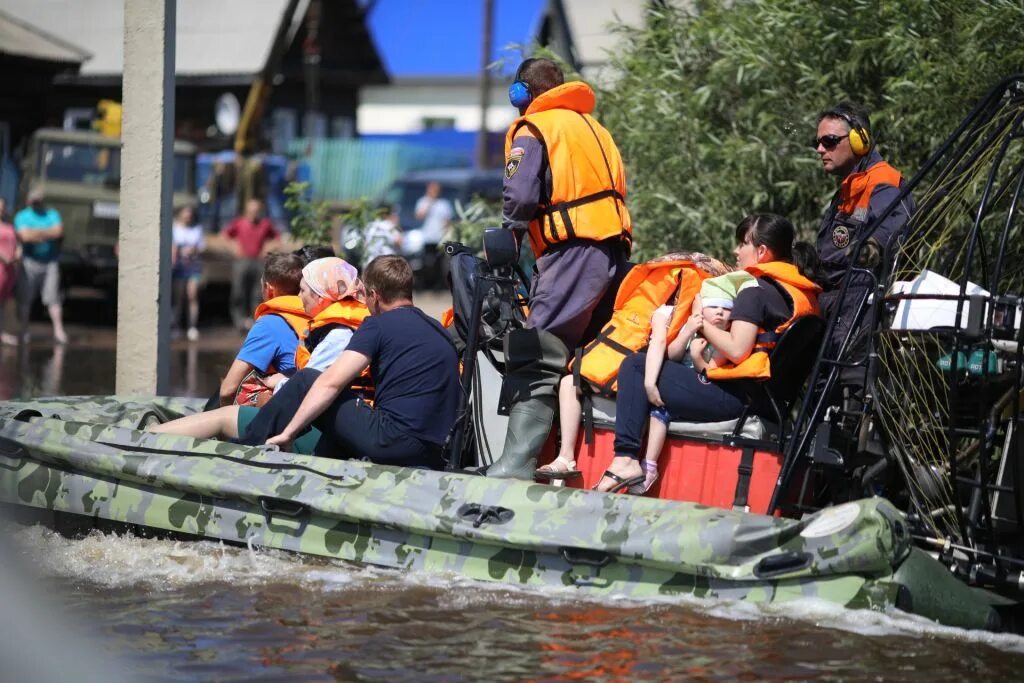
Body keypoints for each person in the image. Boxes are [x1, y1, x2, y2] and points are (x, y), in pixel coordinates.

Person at [595, 214, 821, 493]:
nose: (736, 252)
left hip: (736, 399)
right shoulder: (801, 295)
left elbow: (737, 350)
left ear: (761, 252)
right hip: (768, 403)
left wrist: (701, 321)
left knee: (635, 366)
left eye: (743, 244)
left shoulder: (754, 291)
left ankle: (625, 458)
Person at [486, 57, 632, 479]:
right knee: (583, 350)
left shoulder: (535, 128)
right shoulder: (596, 129)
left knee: (537, 348)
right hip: (611, 250)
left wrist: (509, 237)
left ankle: (515, 465)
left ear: (521, 94)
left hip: (571, 252)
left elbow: (520, 197)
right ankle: (573, 457)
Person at [240, 255, 459, 469]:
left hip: (392, 442)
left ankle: (244, 448)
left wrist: (290, 433)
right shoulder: (439, 329)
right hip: (436, 451)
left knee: (308, 379)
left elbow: (330, 382)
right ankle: (322, 465)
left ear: (374, 295)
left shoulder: (377, 325)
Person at [151, 257, 369, 450]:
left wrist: (271, 391)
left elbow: (229, 389)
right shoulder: (344, 325)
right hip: (326, 419)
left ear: (322, 297)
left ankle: (143, 440)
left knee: (223, 417)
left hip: (321, 430)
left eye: (303, 291)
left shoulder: (335, 334)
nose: (299, 298)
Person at [814, 101, 914, 358]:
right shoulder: (850, 186)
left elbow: (892, 226)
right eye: (818, 142)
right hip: (834, 294)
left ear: (861, 140)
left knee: (838, 377)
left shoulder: (883, 182)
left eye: (830, 141)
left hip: (859, 297)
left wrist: (870, 247)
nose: (820, 149)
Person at [215, 252, 306, 407]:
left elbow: (227, 391)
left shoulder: (269, 324)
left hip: (288, 411)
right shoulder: (314, 314)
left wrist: (225, 418)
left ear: (269, 289)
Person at [14, 187, 67, 344]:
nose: (36, 203)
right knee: (25, 299)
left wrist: (34, 233)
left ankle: (59, 331)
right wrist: (45, 232)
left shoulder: (52, 214)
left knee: (53, 298)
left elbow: (58, 232)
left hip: (50, 261)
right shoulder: (22, 216)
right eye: (34, 200)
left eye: (39, 200)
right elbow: (24, 236)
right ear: (29, 200)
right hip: (29, 262)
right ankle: (24, 331)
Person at [223, 198, 279, 331]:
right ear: (246, 211)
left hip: (258, 261)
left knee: (257, 292)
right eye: (251, 211)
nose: (254, 213)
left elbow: (277, 239)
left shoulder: (265, 224)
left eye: (256, 211)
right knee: (238, 291)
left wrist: (268, 248)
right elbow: (225, 236)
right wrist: (233, 248)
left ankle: (256, 322)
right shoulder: (239, 223)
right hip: (242, 261)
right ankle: (239, 322)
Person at [171, 205, 205, 341]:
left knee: (192, 294)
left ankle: (192, 326)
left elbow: (202, 247)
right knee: (178, 297)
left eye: (189, 213)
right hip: (178, 267)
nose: (187, 216)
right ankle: (176, 325)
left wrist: (194, 250)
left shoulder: (197, 229)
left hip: (193, 267)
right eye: (185, 212)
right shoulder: (173, 228)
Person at [414, 182, 452, 287]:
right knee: (427, 262)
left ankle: (439, 285)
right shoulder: (423, 201)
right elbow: (419, 216)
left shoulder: (444, 204)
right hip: (428, 238)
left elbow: (447, 221)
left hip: (440, 238)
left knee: (440, 263)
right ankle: (426, 283)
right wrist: (429, 203)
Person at [0, 199, 20, 346]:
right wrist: (4, 257)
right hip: (1, 265)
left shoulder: (9, 226)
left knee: (5, 301)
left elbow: (17, 242)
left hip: (9, 269)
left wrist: (19, 253)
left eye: (2, 207)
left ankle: (2, 332)